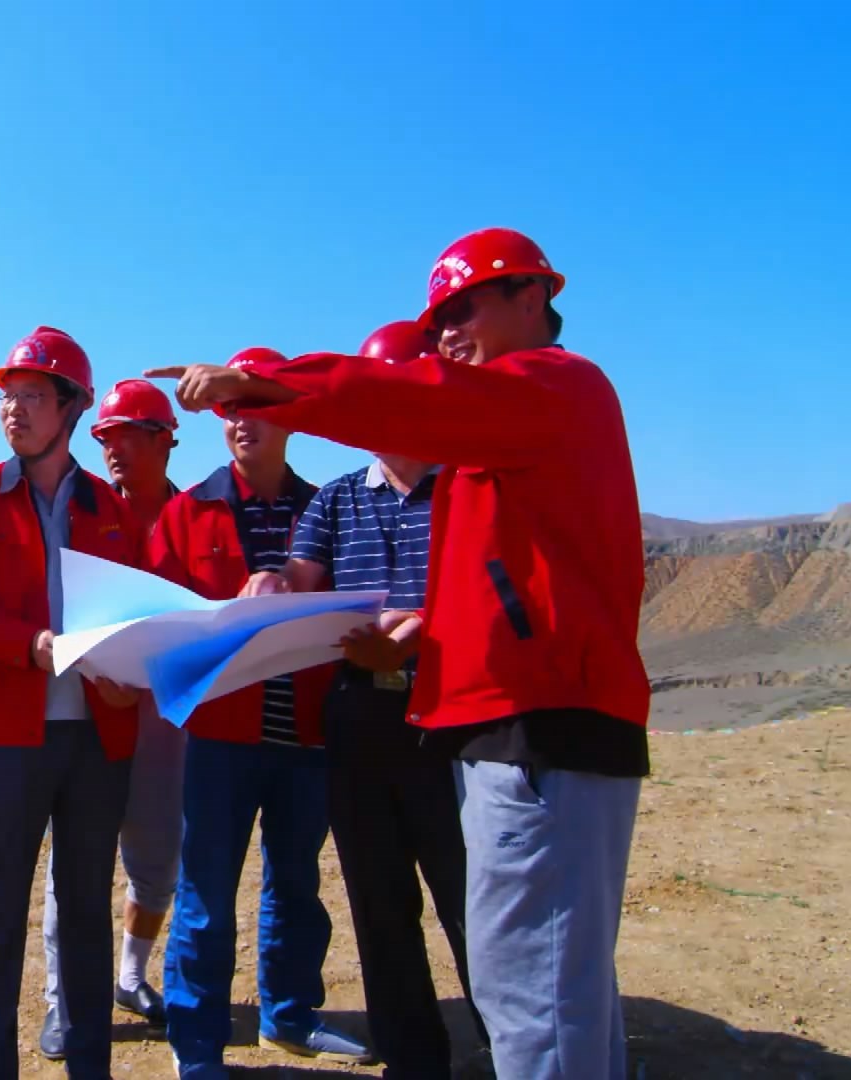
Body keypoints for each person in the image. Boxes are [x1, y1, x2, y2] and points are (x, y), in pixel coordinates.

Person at [147, 229, 651, 1080]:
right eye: (436, 319)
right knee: (550, 985)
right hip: (496, 726)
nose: (449, 333)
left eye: (463, 309)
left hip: (542, 733)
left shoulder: (547, 386)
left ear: (533, 297)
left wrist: (268, 385)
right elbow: (505, 580)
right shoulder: (503, 438)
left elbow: (413, 401)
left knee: (531, 992)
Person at [255, 320, 486, 1080]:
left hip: (448, 718)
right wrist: (270, 587)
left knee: (471, 896)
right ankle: (414, 1059)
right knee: (381, 903)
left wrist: (413, 642)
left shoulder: (467, 485)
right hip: (358, 717)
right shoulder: (337, 502)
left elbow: (481, 594)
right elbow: (301, 581)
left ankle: (508, 1045)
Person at [0, 326, 146, 1080]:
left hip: (97, 739)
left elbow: (140, 614)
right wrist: (31, 645)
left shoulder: (109, 509)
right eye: (5, 397)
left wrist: (128, 674)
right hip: (6, 737)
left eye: (31, 395)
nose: (12, 409)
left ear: (73, 407)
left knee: (86, 910)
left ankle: (90, 1065)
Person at [148, 348, 372, 1079]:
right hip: (220, 737)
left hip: (308, 732)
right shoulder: (187, 512)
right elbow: (159, 619)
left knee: (297, 884)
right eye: (230, 411)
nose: (242, 422)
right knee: (206, 892)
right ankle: (199, 1044)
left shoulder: (329, 508)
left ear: (288, 415)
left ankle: (291, 1015)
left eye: (256, 406)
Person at [38, 378, 186, 1057]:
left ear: (165, 441)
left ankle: (130, 974)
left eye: (127, 434)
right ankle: (60, 1002)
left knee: (157, 863)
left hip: (167, 724)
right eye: (104, 437)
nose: (113, 448)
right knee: (74, 867)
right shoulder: (87, 515)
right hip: (96, 718)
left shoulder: (196, 519)